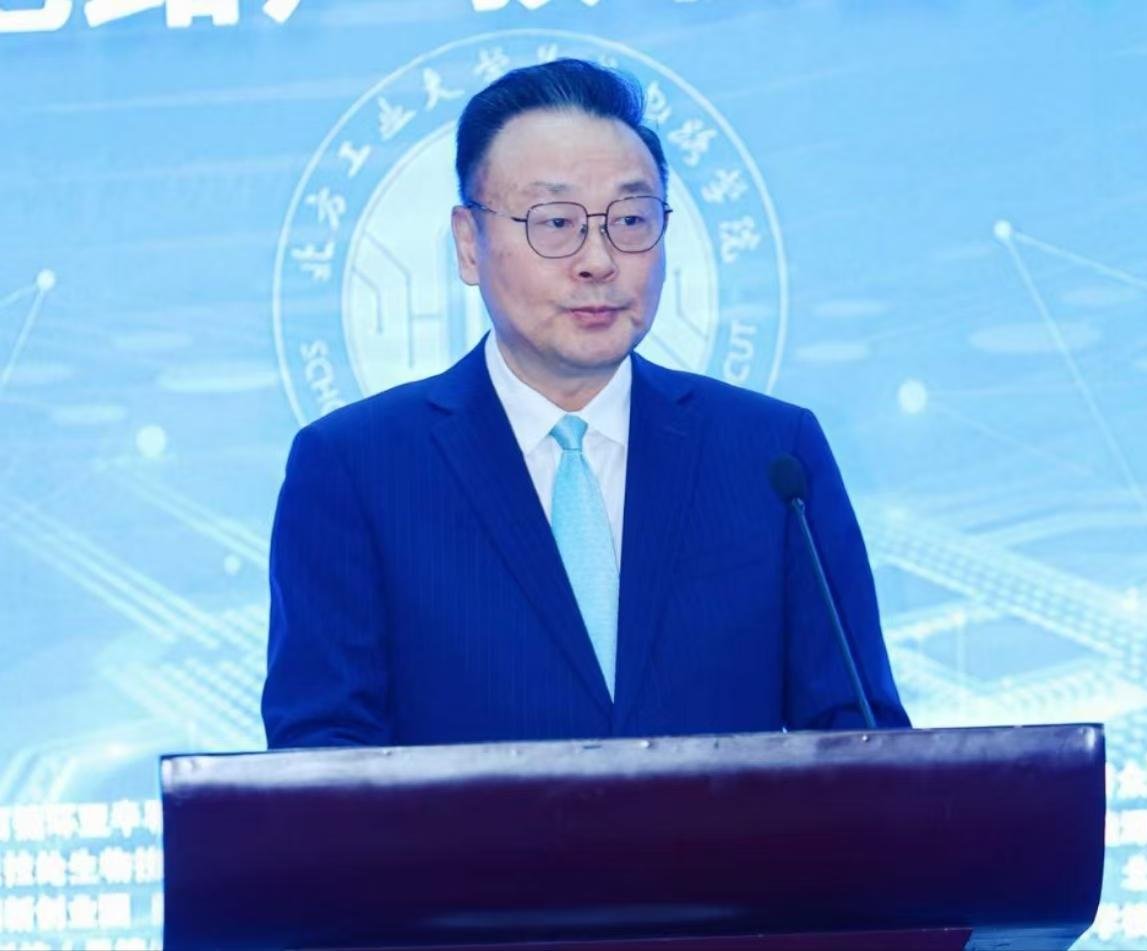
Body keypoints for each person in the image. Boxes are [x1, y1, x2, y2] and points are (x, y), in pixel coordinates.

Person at [262, 59, 909, 748]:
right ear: (469, 244)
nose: (598, 259)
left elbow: (860, 737)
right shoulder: (357, 469)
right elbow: (320, 755)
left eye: (630, 219)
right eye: (555, 221)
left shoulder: (771, 457)